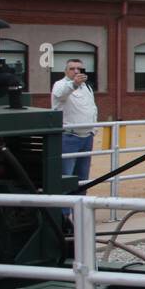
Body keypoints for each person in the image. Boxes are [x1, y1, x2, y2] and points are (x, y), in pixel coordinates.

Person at [50, 58, 98, 209]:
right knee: (66, 177)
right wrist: (74, 84)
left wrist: (93, 130)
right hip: (69, 137)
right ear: (66, 71)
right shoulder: (61, 85)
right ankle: (64, 217)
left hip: (87, 137)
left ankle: (80, 211)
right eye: (72, 68)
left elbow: (92, 108)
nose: (76, 71)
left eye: (79, 69)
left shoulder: (87, 87)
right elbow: (60, 95)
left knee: (82, 179)